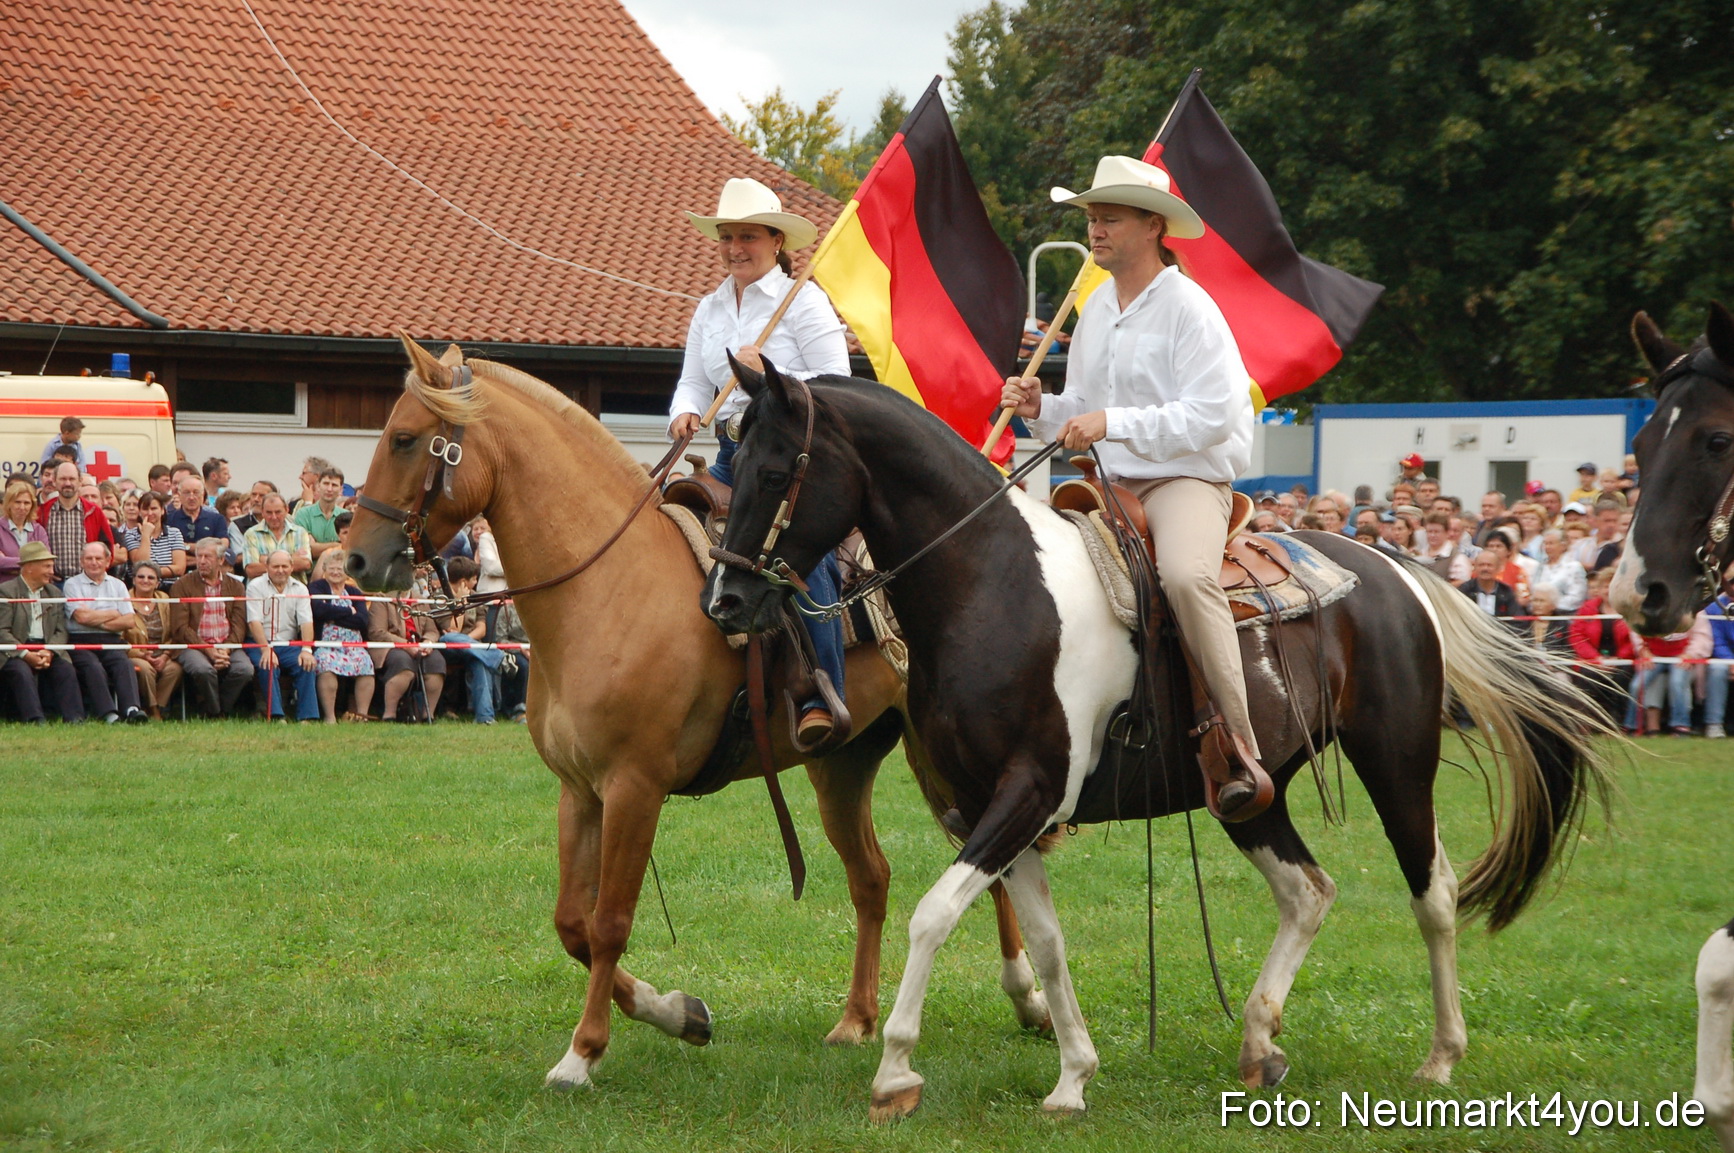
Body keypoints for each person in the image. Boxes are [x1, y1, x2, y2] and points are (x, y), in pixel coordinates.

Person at [1001, 153, 1267, 820]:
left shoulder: (1191, 308)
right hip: (1113, 480)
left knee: (1183, 576)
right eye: (1091, 217)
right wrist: (1043, 407)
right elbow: (1083, 407)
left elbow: (1211, 417)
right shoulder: (1094, 309)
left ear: (1153, 226)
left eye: (1109, 217)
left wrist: (1108, 420)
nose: (1095, 229)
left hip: (1186, 479)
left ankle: (1238, 738)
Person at [668, 176, 852, 745]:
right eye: (727, 237)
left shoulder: (804, 303)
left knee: (803, 556)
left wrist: (768, 371)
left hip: (794, 461)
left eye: (748, 236)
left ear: (776, 242)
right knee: (664, 525)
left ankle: (824, 693)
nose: (735, 248)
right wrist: (685, 411)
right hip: (729, 455)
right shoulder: (710, 307)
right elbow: (692, 382)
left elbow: (838, 391)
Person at [61, 541, 147, 723]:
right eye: (89, 558)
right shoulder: (71, 584)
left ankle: (132, 709)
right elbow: (81, 618)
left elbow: (129, 621)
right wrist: (113, 613)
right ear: (81, 562)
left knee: (124, 664)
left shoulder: (118, 585)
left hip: (112, 640)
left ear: (108, 561)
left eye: (98, 558)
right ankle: (108, 713)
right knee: (93, 667)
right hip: (80, 641)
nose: (94, 562)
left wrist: (93, 617)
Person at [168, 538, 254, 718]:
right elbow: (180, 628)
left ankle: (216, 707)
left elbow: (239, 626)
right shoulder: (182, 585)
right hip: (192, 645)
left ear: (221, 560)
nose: (201, 561)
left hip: (226, 644)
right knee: (203, 670)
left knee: (244, 670)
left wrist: (224, 650)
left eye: (208, 556)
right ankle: (216, 713)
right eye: (199, 556)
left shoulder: (236, 586)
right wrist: (208, 650)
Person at [0, 542, 85, 723]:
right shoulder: (6, 591)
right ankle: (35, 719)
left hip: (45, 647)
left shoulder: (54, 592)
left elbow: (61, 630)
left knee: (65, 669)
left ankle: (75, 718)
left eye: (51, 566)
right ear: (29, 567)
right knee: (21, 671)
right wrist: (24, 653)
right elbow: (2, 631)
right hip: (14, 650)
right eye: (47, 566)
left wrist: (49, 651)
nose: (51, 571)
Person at [246, 549, 319, 721]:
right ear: (267, 567)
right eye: (276, 566)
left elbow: (306, 621)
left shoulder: (300, 588)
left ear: (292, 567)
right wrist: (265, 650)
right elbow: (253, 621)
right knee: (267, 665)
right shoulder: (255, 586)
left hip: (289, 644)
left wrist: (307, 649)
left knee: (306, 664)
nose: (280, 570)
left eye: (284, 566)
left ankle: (308, 717)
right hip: (259, 643)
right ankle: (277, 716)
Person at [434, 557, 504, 724]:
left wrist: (467, 643)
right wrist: (461, 603)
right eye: (474, 579)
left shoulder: (476, 597)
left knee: (479, 660)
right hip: (446, 646)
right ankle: (496, 654)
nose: (476, 582)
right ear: (464, 582)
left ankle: (485, 717)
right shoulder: (440, 598)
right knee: (450, 637)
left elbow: (482, 629)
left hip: (471, 647)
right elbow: (453, 630)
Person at [308, 548, 375, 722]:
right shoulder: (316, 587)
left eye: (340, 569)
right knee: (325, 663)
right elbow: (318, 611)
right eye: (332, 568)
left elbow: (361, 620)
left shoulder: (354, 593)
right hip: (326, 644)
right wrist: (348, 611)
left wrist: (333, 616)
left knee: (366, 664)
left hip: (354, 645)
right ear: (324, 569)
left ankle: (362, 715)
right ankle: (330, 717)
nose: (336, 572)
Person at [1568, 568, 1637, 725]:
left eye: (1612, 585)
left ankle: (1618, 722)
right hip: (1592, 660)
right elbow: (1576, 635)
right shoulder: (1587, 609)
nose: (1608, 590)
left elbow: (1635, 638)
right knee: (1587, 676)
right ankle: (1588, 722)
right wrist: (1596, 659)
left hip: (1622, 660)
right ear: (1598, 589)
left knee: (1622, 677)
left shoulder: (1629, 609)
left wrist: (1618, 659)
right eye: (1605, 586)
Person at [369, 595, 445, 722]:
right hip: (390, 647)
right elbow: (376, 632)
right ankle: (389, 715)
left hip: (418, 646)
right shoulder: (381, 600)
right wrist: (405, 644)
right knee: (403, 663)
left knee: (436, 662)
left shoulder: (420, 600)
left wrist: (428, 642)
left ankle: (428, 715)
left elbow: (432, 630)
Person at [37, 460, 116, 582]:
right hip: (53, 583)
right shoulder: (43, 512)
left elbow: (108, 548)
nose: (67, 483)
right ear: (54, 481)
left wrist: (96, 573)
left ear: (80, 482)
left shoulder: (94, 512)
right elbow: (37, 546)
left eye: (72, 479)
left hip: (86, 582)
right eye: (63, 479)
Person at [125, 561, 182, 719]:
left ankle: (159, 705)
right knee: (145, 669)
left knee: (175, 669)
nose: (145, 580)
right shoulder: (124, 601)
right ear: (134, 579)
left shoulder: (164, 600)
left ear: (157, 583)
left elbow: (174, 633)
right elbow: (119, 639)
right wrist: (141, 654)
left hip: (162, 653)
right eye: (141, 576)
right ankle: (153, 710)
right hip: (135, 654)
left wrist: (165, 655)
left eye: (151, 578)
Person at [242, 493, 313, 579]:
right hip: (262, 589)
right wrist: (291, 559)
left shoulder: (299, 532)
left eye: (278, 512)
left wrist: (266, 560)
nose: (274, 517)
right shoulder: (251, 534)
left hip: (295, 588)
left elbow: (305, 564)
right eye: (269, 512)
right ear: (262, 512)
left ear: (287, 510)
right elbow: (251, 570)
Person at [126, 490, 188, 578]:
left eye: (153, 508)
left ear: (162, 510)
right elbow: (139, 565)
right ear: (139, 512)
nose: (149, 513)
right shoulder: (131, 535)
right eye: (145, 509)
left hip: (171, 586)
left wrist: (152, 572)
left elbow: (179, 568)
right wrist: (146, 535)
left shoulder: (174, 533)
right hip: (143, 586)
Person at [1, 478, 50, 582]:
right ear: (9, 503)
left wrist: (10, 564)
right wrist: (32, 563)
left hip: (33, 587)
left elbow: (45, 561)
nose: (22, 507)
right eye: (17, 502)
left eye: (26, 503)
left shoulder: (39, 530)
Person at [292, 467, 345, 560]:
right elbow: (306, 550)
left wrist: (317, 545)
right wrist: (337, 544)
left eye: (334, 485)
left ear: (341, 489)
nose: (329, 489)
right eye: (326, 483)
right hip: (309, 573)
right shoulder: (303, 514)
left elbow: (348, 549)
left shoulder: (347, 516)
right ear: (318, 486)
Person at [165, 471, 228, 548]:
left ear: (203, 494)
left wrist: (186, 546)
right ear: (179, 494)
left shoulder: (217, 519)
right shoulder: (169, 520)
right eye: (186, 492)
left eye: (196, 492)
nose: (191, 497)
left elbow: (223, 545)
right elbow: (168, 549)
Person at [1532, 528, 1588, 612]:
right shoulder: (1540, 567)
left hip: (1564, 614)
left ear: (1563, 546)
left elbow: (1577, 597)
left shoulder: (1573, 566)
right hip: (1539, 613)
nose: (1547, 547)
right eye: (1545, 543)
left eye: (1551, 543)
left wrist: (1550, 606)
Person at [1460, 552, 1521, 629]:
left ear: (1498, 568)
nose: (1485, 568)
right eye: (1481, 565)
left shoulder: (1506, 591)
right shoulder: (1465, 590)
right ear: (1474, 567)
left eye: (1489, 565)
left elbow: (1517, 620)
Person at [1704, 586, 1734, 740]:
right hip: (1723, 658)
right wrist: (1730, 661)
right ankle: (1714, 725)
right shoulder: (1714, 607)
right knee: (1717, 669)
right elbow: (1717, 641)